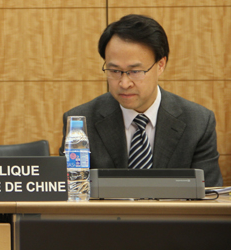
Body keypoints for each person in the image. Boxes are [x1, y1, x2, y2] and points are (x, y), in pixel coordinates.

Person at [60, 14, 223, 187]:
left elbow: (209, 194)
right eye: (114, 71)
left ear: (160, 65)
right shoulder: (81, 122)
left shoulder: (198, 122)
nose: (124, 83)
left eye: (135, 71)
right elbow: (71, 191)